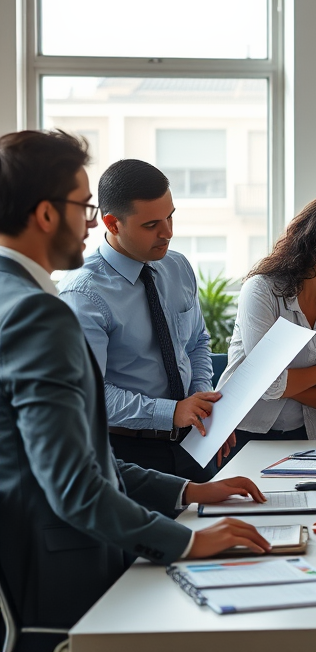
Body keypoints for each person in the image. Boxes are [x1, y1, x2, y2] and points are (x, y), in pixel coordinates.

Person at [0, 130, 270, 635]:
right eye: (82, 206)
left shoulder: (11, 298)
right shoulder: (39, 312)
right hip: (53, 569)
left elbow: (75, 456)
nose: (86, 221)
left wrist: (187, 490)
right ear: (45, 214)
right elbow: (75, 486)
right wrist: (188, 542)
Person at [59, 160, 232, 481]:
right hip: (126, 454)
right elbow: (89, 395)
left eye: (170, 217)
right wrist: (171, 412)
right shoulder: (83, 294)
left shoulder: (178, 267)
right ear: (112, 224)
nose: (167, 232)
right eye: (151, 225)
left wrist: (201, 403)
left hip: (194, 445)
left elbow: (196, 343)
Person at [224, 194, 316, 453]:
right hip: (239, 435)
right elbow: (267, 384)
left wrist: (277, 381)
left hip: (307, 437)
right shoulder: (261, 290)